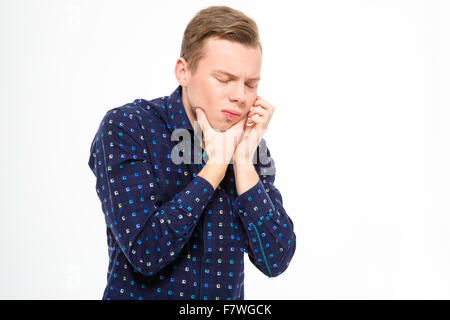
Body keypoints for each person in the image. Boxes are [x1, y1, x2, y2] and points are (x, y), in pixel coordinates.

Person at [88, 5, 296, 300]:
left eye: (250, 84)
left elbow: (276, 260)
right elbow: (146, 251)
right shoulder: (128, 127)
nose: (240, 95)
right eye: (224, 79)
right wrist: (216, 167)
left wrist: (243, 164)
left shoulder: (249, 144)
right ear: (183, 72)